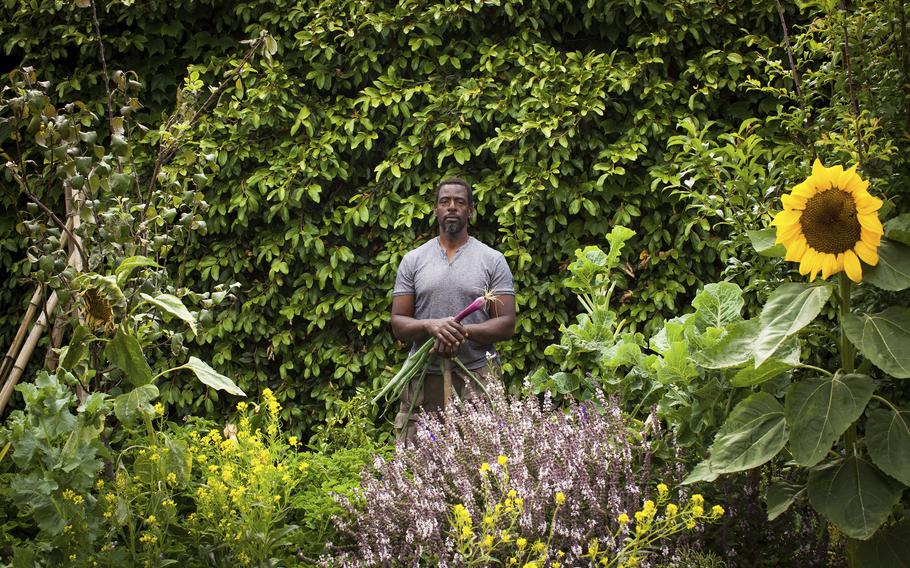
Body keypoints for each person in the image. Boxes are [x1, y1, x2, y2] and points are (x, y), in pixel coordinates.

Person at [390, 178, 516, 444]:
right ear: (435, 209)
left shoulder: (492, 260)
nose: (451, 207)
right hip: (424, 377)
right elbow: (399, 323)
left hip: (477, 376)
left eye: (460, 202)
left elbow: (506, 324)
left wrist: (461, 332)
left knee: (483, 456)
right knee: (418, 460)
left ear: (469, 210)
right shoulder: (413, 260)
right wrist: (430, 326)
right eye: (444, 201)